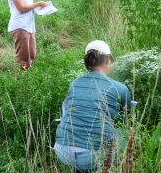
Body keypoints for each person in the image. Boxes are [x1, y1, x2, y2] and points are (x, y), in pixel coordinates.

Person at [54, 40, 131, 172]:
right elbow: (127, 119)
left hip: (62, 151)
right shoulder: (120, 88)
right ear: (107, 59)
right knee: (124, 131)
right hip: (93, 157)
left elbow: (65, 112)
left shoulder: (74, 83)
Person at [7, 0, 47, 70]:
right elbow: (21, 8)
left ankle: (27, 77)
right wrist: (37, 4)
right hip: (20, 25)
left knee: (32, 53)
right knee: (23, 58)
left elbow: (28, 4)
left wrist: (40, 7)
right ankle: (20, 81)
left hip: (29, 25)